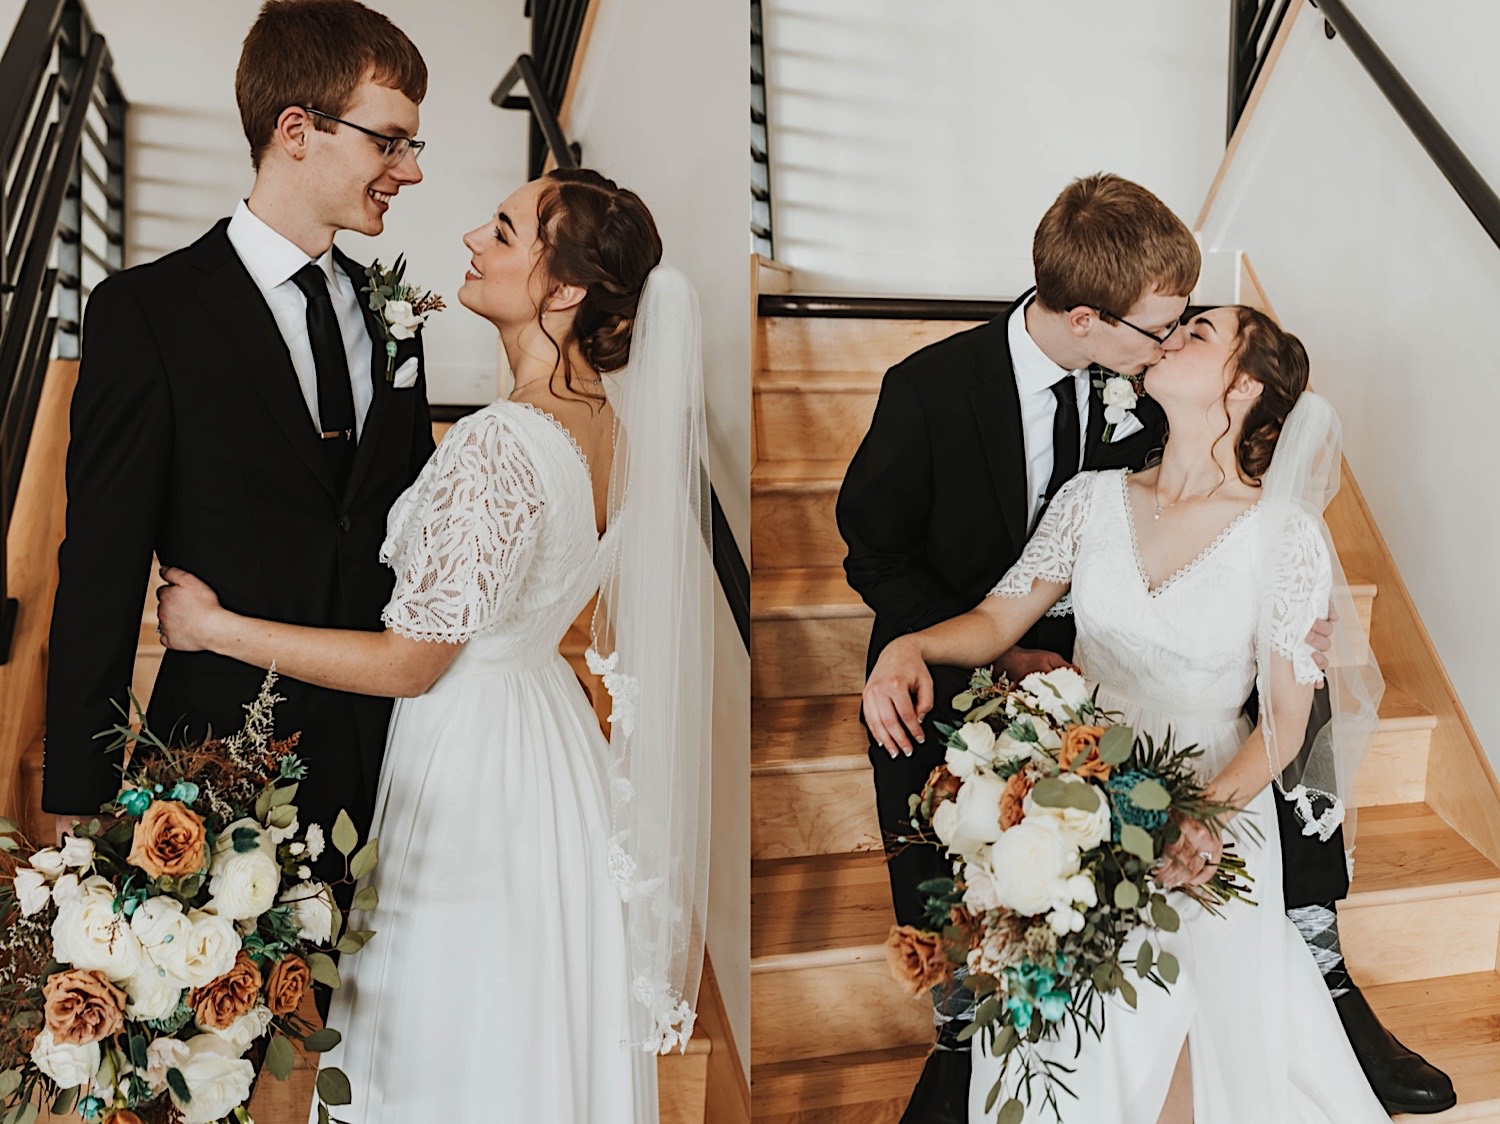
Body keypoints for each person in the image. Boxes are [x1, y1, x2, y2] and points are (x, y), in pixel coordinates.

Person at [836, 174, 1452, 1118]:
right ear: (1091, 321)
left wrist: (1200, 815)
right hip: (1079, 765)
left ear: (1243, 389)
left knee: (1180, 1017)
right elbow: (998, 617)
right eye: (1166, 326)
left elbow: (1288, 718)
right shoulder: (1086, 496)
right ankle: (968, 1030)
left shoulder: (1281, 535)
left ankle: (1317, 972)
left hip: (1205, 788)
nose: (1172, 336)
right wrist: (911, 643)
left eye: (1196, 331)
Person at [156, 169, 713, 1124]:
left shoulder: (501, 442)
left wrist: (216, 629)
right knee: (522, 1020)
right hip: (544, 739)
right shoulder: (612, 433)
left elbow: (412, 661)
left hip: (473, 764)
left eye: (503, 230)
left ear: (565, 289)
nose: (471, 238)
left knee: (451, 1031)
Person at [44, 0, 433, 881]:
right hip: (220, 761)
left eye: (413, 147)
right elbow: (101, 561)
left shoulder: (396, 319)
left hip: (396, 753)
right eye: (390, 142)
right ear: (298, 130)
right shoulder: (148, 314)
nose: (407, 171)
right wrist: (79, 787)